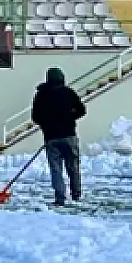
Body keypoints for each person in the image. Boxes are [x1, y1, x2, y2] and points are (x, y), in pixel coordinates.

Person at [30, 67, 87, 205]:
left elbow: (35, 117)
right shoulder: (68, 92)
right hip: (69, 135)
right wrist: (69, 116)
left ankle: (60, 197)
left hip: (51, 137)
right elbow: (82, 110)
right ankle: (76, 194)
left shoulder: (41, 95)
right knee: (73, 166)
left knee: (56, 169)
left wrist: (47, 123)